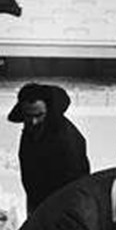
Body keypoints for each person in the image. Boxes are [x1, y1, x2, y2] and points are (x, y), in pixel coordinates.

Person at [8, 82, 90, 214]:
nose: (33, 121)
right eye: (28, 116)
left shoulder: (66, 139)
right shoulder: (32, 131)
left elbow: (75, 184)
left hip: (62, 207)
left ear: (49, 111)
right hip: (38, 202)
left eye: (39, 115)